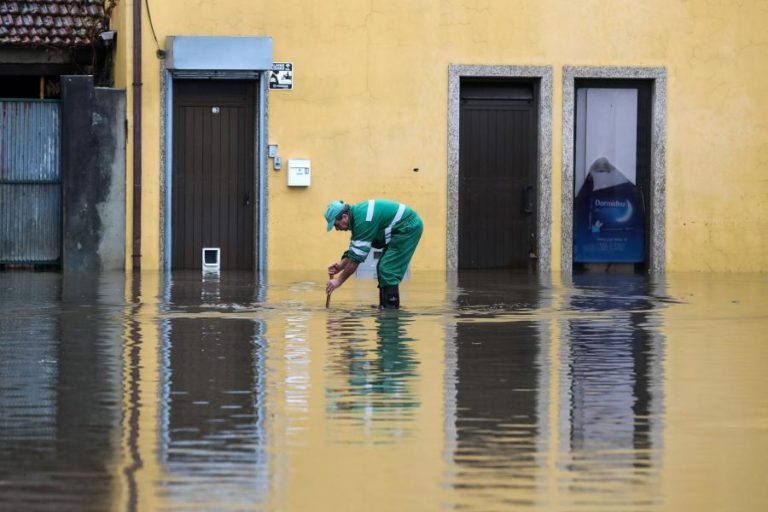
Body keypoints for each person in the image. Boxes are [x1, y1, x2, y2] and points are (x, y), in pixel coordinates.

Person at [324, 199, 423, 308]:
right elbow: (354, 251)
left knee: (388, 269)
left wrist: (338, 281)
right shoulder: (357, 217)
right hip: (399, 229)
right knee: (383, 267)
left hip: (408, 227)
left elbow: (356, 258)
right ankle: (385, 306)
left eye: (336, 225)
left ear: (344, 217)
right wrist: (340, 266)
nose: (337, 229)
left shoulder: (363, 220)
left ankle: (391, 311)